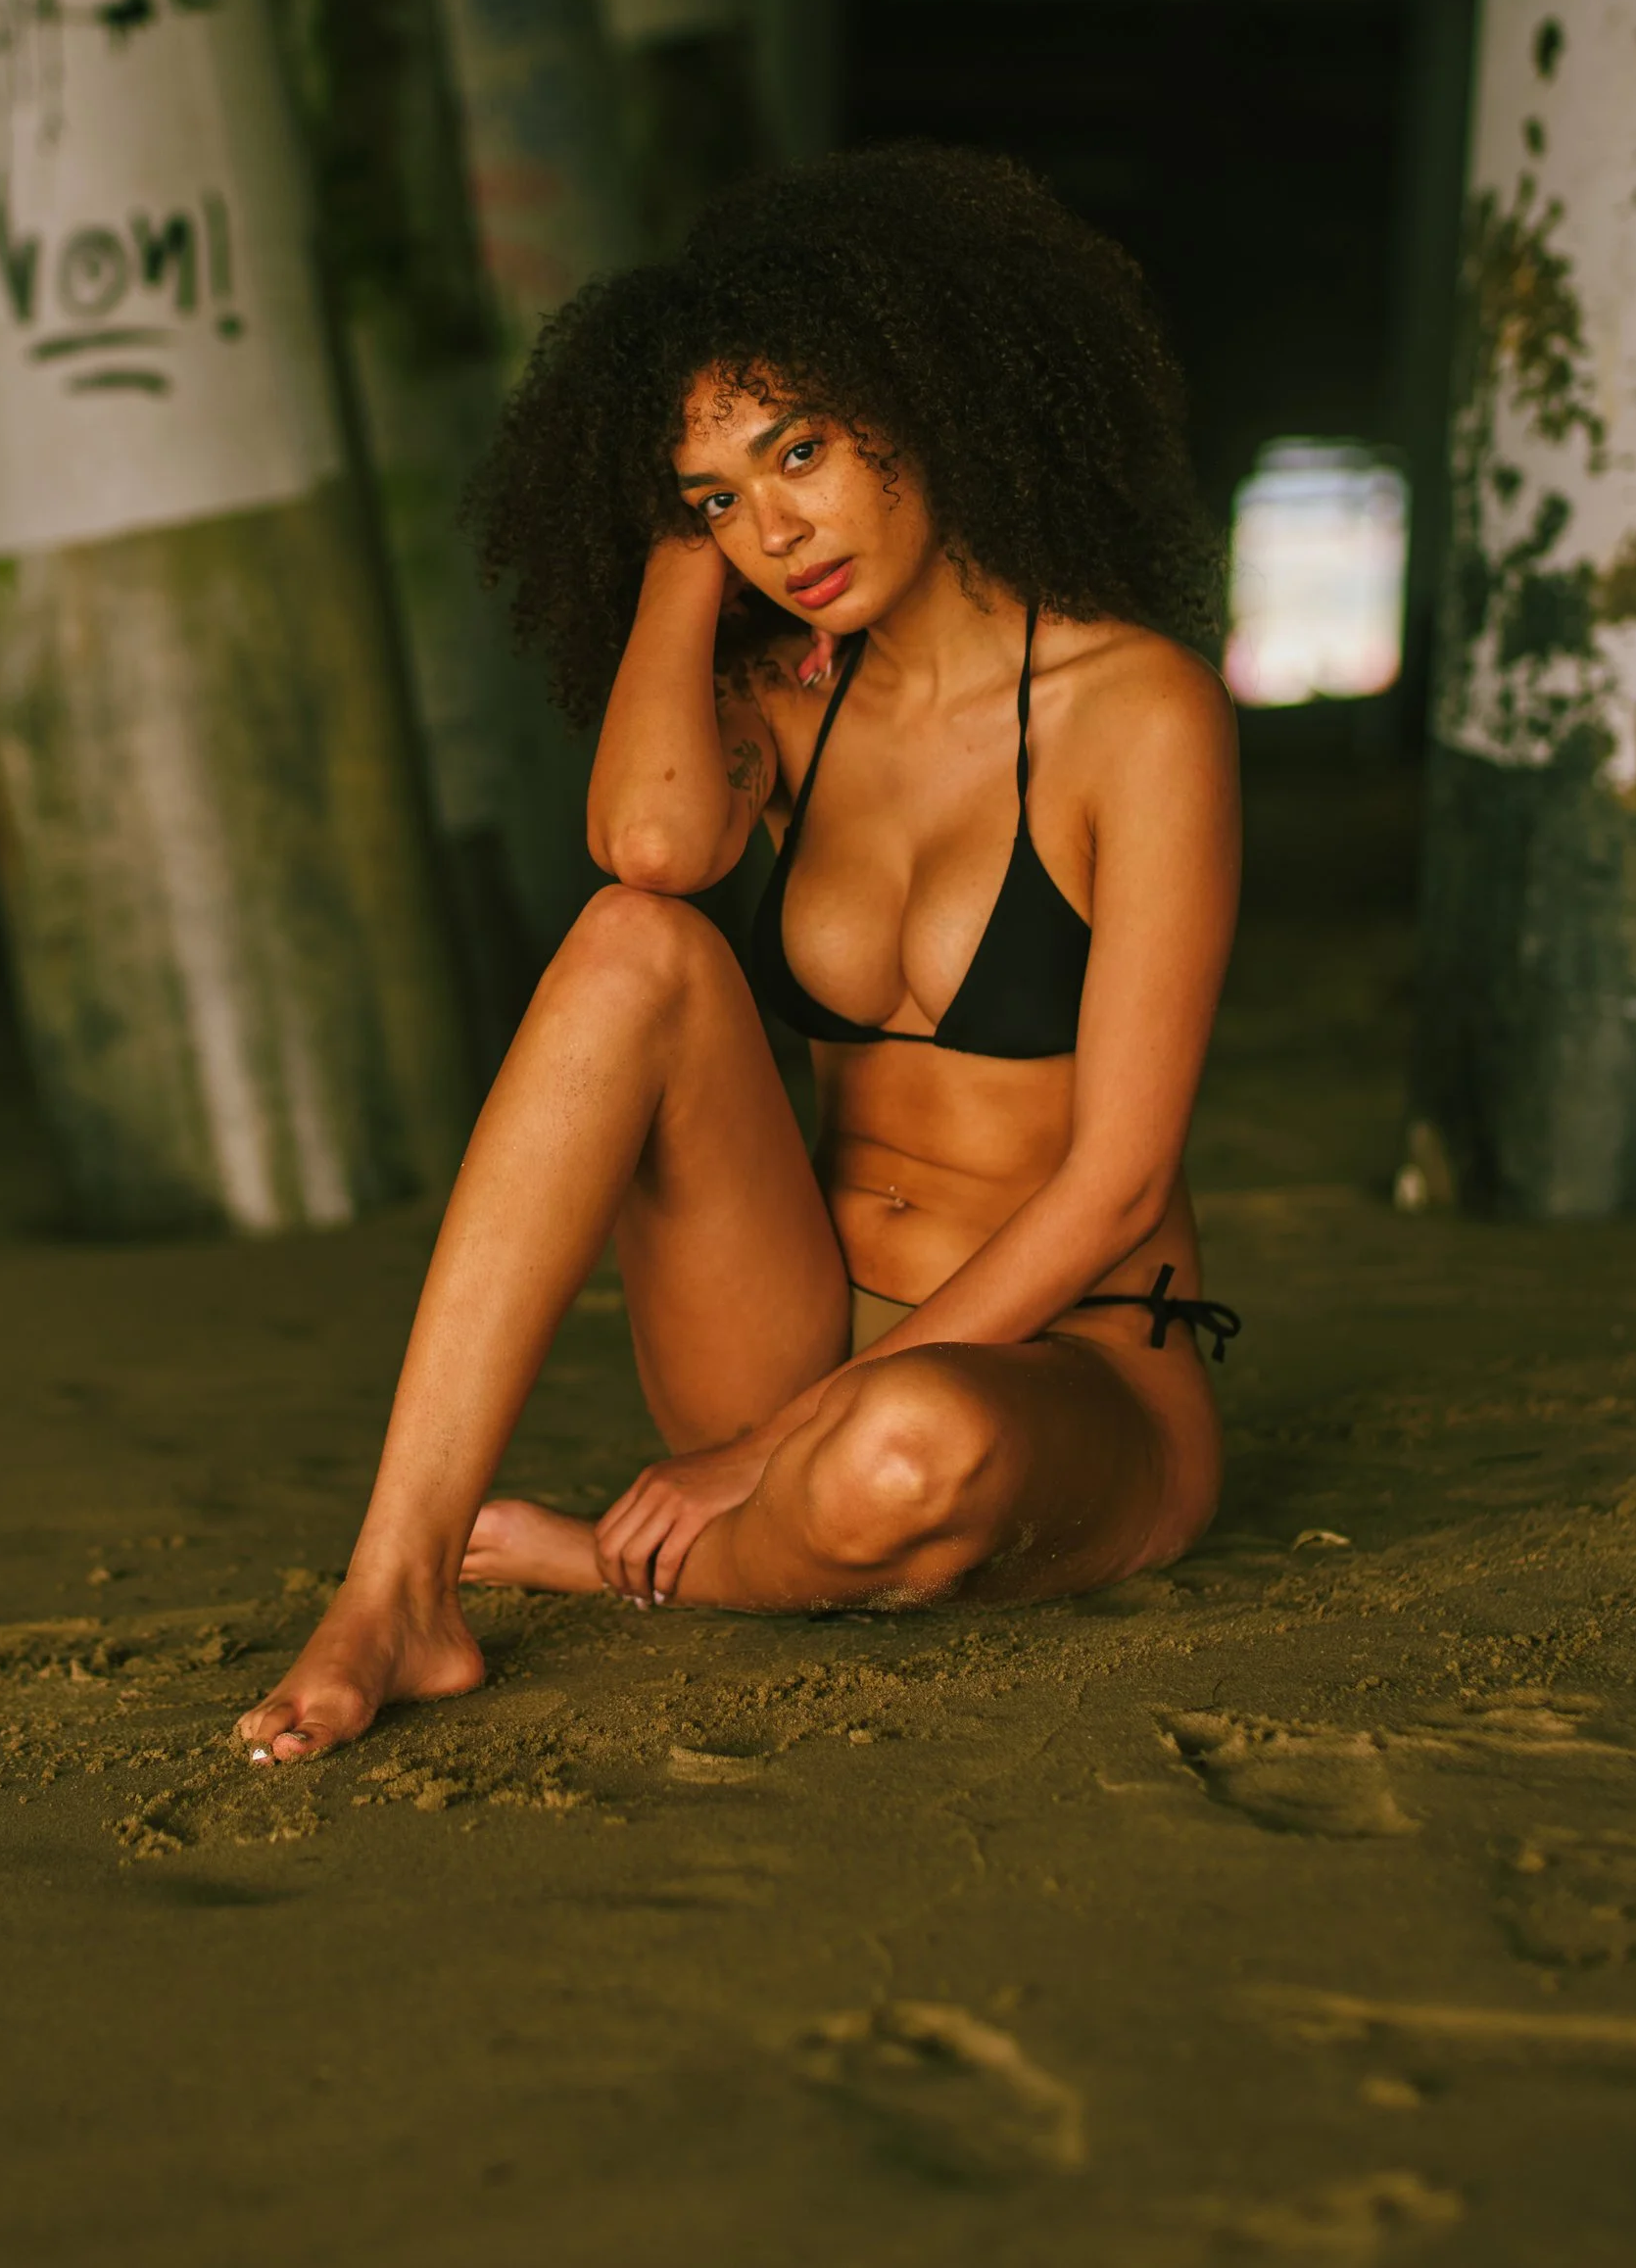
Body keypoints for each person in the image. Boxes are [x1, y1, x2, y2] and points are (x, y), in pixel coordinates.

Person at [238, 144, 1240, 1763]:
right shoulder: (786, 700)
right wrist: (679, 549)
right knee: (635, 945)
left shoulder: (1140, 714)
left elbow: (1120, 1184)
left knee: (905, 1459)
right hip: (784, 1332)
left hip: (1060, 1382)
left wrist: (772, 1447)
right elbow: (646, 850)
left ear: (931, 399)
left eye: (804, 452)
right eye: (722, 495)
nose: (778, 527)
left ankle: (652, 1568)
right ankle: (395, 1588)